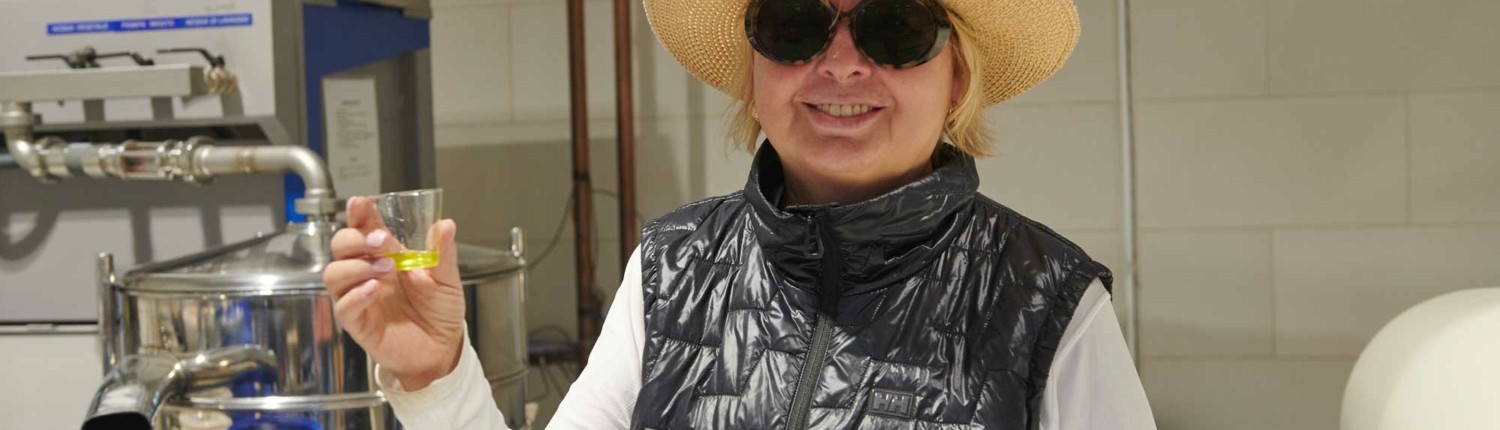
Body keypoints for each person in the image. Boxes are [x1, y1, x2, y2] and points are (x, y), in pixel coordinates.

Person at [323, 0, 1158, 428]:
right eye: (796, 23)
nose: (841, 64)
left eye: (894, 27)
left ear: (958, 80)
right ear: (754, 69)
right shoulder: (672, 267)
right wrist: (436, 380)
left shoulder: (1046, 303)